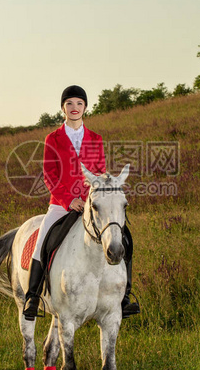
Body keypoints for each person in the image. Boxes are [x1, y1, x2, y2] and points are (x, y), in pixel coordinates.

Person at [23, 84, 140, 321]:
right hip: (61, 204)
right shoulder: (53, 138)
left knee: (124, 235)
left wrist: (94, 195)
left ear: (85, 107)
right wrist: (68, 200)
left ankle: (125, 297)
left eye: (79, 103)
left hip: (91, 204)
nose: (74, 108)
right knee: (42, 241)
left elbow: (99, 172)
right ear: (63, 108)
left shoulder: (95, 139)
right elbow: (49, 174)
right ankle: (32, 297)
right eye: (69, 104)